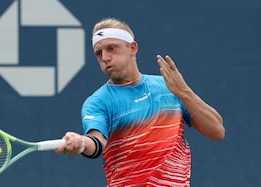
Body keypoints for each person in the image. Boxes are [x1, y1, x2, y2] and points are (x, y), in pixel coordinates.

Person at [55, 17, 225, 186]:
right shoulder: (97, 102)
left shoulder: (169, 87)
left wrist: (184, 92)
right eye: (99, 53)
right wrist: (82, 143)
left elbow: (217, 131)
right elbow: (96, 142)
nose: (105, 57)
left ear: (132, 48)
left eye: (111, 48)